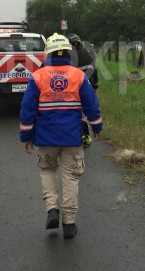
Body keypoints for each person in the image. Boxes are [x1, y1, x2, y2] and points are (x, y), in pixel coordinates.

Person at [20, 33, 102, 239]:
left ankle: (52, 209)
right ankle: (69, 224)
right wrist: (96, 127)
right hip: (72, 138)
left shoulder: (37, 76)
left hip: (45, 139)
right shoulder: (78, 76)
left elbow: (27, 109)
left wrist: (25, 135)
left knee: (47, 171)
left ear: (47, 52)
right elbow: (91, 104)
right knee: (71, 177)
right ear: (68, 52)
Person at [67, 33, 99, 148]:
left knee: (73, 112)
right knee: (84, 114)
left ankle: (72, 135)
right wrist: (95, 87)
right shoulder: (86, 55)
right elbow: (94, 71)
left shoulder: (67, 56)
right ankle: (85, 137)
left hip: (71, 89)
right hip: (87, 88)